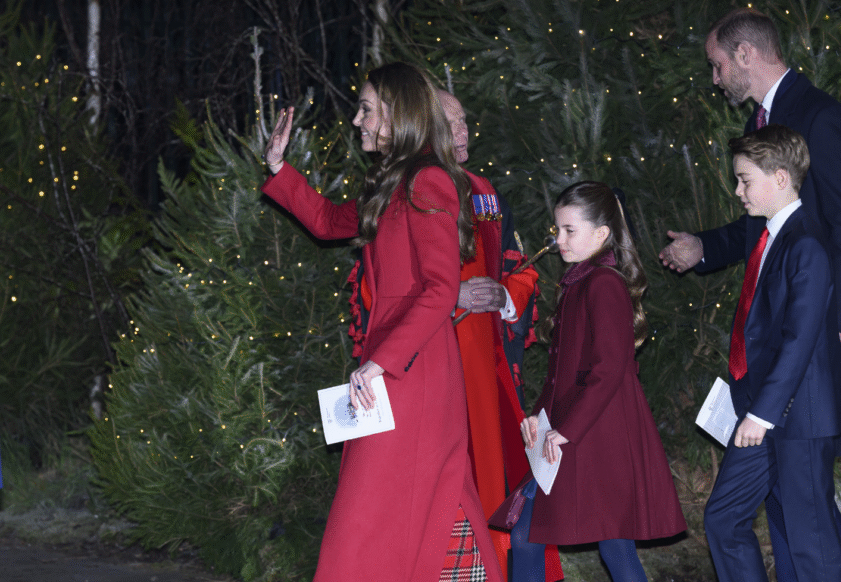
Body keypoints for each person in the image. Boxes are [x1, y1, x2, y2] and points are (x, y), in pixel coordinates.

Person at [260, 62, 501, 581]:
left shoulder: (429, 181)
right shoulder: (394, 182)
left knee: (374, 517)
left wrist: (380, 366)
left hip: (410, 371)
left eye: (366, 109)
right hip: (397, 369)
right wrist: (280, 169)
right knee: (412, 507)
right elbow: (327, 222)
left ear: (395, 113)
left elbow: (439, 291)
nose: (356, 120)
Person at [658, 8, 841, 581]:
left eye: (718, 64)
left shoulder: (818, 117)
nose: (715, 77)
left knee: (806, 521)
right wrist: (705, 247)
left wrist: (835, 325)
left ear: (746, 54)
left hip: (806, 355)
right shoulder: (763, 124)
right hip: (772, 359)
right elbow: (762, 228)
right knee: (799, 516)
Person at [347, 88, 560, 579]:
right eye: (452, 123)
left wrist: (505, 298)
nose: (463, 133)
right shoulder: (402, 188)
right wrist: (450, 296)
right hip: (423, 361)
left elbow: (519, 266)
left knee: (482, 479)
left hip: (482, 364)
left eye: (465, 121)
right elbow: (380, 283)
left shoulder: (484, 193)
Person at [489, 181, 687, 582]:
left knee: (608, 541)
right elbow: (560, 370)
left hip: (598, 433)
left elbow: (609, 368)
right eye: (557, 230)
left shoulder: (604, 284)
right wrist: (537, 416)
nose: (558, 240)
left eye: (569, 231)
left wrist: (567, 431)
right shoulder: (578, 283)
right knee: (545, 534)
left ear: (601, 234)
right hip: (573, 429)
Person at [702, 124, 841, 581]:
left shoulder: (805, 242)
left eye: (745, 179)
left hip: (795, 416)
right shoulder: (771, 237)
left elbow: (798, 340)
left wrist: (761, 414)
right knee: (723, 519)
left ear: (781, 178)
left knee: (811, 543)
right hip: (763, 410)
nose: (738, 190)